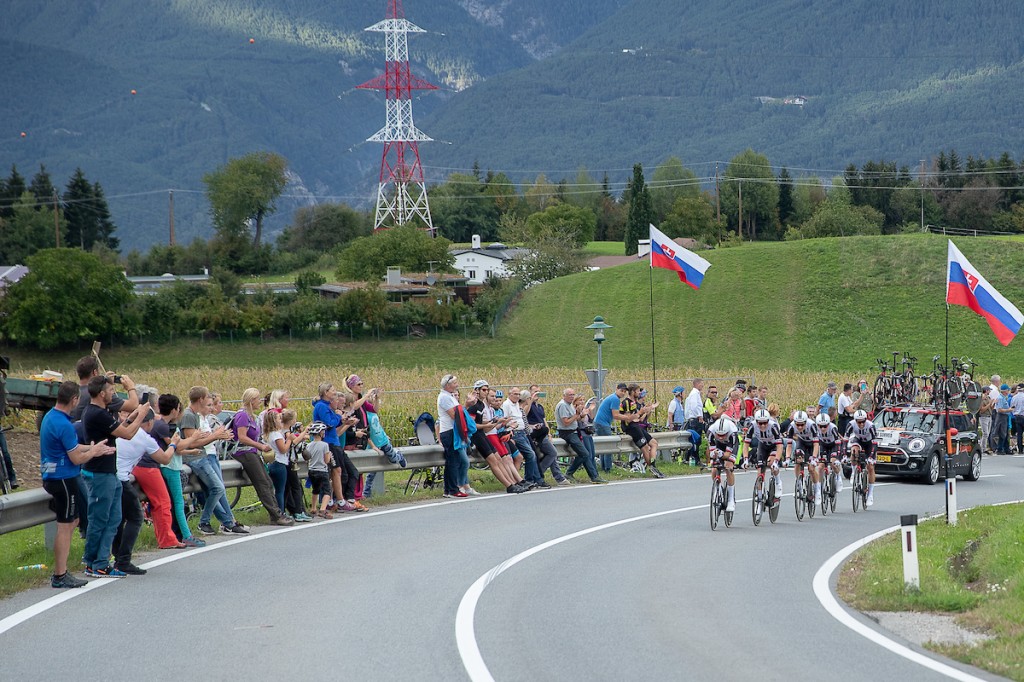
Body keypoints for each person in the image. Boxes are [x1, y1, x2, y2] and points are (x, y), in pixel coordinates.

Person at [40, 381, 115, 588]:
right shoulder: (65, 424)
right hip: (64, 479)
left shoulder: (51, 417)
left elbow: (71, 446)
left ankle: (61, 573)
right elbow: (75, 458)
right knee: (65, 526)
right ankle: (60, 574)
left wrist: (92, 447)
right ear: (74, 400)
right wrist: (94, 452)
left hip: (53, 476)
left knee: (71, 522)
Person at [80, 375, 147, 577]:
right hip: (100, 473)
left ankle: (99, 560)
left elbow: (119, 426)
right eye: (110, 391)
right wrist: (141, 416)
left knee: (114, 518)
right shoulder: (96, 414)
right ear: (101, 393)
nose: (113, 394)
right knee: (101, 518)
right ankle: (96, 562)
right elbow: (126, 434)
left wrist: (131, 416)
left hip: (110, 472)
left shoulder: (101, 411)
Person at [114, 407, 183, 574]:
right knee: (136, 517)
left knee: (119, 518)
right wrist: (173, 443)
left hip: (111, 476)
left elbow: (129, 420)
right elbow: (165, 458)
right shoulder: (145, 438)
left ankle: (114, 556)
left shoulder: (122, 429)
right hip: (121, 479)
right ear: (150, 422)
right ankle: (123, 560)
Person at [178, 386, 249, 535]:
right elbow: (192, 442)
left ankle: (227, 521)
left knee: (218, 488)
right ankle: (206, 522)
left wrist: (215, 436)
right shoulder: (189, 416)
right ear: (201, 399)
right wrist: (215, 436)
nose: (209, 404)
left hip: (203, 455)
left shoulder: (195, 416)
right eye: (207, 400)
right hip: (196, 457)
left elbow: (198, 438)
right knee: (218, 488)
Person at [232, 388, 295, 525]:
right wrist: (260, 446)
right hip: (244, 452)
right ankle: (276, 515)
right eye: (258, 399)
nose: (260, 401)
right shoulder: (242, 416)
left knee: (267, 482)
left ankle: (276, 513)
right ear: (251, 400)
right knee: (262, 483)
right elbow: (242, 437)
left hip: (252, 451)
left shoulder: (250, 416)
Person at [152, 394, 207, 547]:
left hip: (169, 465)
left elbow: (175, 449)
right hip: (170, 467)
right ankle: (186, 535)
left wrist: (190, 451)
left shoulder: (161, 424)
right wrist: (193, 438)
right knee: (178, 502)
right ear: (175, 410)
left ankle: (177, 534)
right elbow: (177, 446)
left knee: (174, 503)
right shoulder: (164, 426)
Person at [312, 384, 364, 512]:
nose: (335, 394)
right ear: (326, 392)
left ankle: (334, 499)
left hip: (333, 441)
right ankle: (337, 500)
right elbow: (329, 422)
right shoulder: (322, 407)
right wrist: (339, 417)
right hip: (328, 442)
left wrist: (344, 421)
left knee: (337, 471)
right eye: (333, 392)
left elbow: (334, 423)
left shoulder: (326, 406)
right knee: (335, 471)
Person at [265, 409, 309, 519]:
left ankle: (281, 511)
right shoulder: (278, 435)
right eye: (279, 419)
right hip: (280, 463)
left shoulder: (269, 434)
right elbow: (283, 449)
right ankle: (281, 512)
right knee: (281, 490)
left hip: (273, 463)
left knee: (280, 489)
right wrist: (289, 439)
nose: (281, 420)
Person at [557, 388, 606, 484]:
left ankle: (593, 476)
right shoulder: (563, 405)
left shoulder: (569, 405)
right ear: (564, 396)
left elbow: (577, 419)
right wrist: (577, 415)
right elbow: (566, 422)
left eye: (573, 394)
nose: (572, 396)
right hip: (567, 432)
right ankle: (573, 473)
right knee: (585, 453)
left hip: (574, 431)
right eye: (569, 395)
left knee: (584, 454)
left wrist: (581, 415)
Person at [523, 385, 569, 485]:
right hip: (534, 433)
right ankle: (543, 475)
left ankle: (552, 476)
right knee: (552, 453)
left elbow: (544, 421)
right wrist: (530, 401)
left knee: (551, 453)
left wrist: (548, 433)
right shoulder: (528, 405)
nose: (537, 394)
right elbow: (524, 415)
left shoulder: (540, 407)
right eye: (535, 392)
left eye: (539, 392)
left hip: (542, 433)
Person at [502, 387, 547, 487]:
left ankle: (530, 479)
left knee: (532, 455)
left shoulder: (517, 405)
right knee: (530, 455)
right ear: (509, 394)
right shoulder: (506, 405)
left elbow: (522, 418)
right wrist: (510, 431)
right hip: (515, 433)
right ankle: (528, 479)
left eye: (518, 394)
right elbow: (504, 420)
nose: (517, 396)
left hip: (523, 432)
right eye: (515, 394)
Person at [619, 383, 662, 478]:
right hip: (631, 428)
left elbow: (639, 417)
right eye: (638, 391)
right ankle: (651, 467)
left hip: (637, 425)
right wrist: (640, 412)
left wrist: (648, 409)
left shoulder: (635, 403)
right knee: (645, 447)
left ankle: (653, 464)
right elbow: (628, 419)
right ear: (633, 392)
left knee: (654, 443)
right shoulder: (626, 402)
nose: (639, 393)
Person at [744, 408, 784, 506]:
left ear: (768, 421)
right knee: (760, 472)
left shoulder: (773, 426)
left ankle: (778, 482)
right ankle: (760, 495)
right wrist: (745, 459)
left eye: (765, 423)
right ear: (756, 421)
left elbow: (779, 446)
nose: (762, 425)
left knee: (771, 464)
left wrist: (776, 461)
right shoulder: (752, 425)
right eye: (760, 423)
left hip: (774, 445)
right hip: (762, 445)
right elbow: (746, 444)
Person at [437, 374, 465, 498]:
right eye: (454, 383)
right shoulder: (444, 397)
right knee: (453, 460)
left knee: (451, 461)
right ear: (448, 385)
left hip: (450, 430)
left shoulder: (449, 396)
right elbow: (454, 415)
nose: (457, 385)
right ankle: (453, 489)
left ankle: (448, 489)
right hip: (449, 430)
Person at [785, 411, 820, 504]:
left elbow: (816, 445)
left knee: (811, 468)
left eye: (802, 424)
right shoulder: (791, 426)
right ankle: (799, 484)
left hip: (813, 444)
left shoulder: (812, 425)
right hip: (802, 442)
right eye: (798, 425)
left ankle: (817, 489)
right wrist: (787, 458)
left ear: (806, 422)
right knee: (797, 460)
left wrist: (814, 457)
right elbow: (789, 445)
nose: (800, 427)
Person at [844, 409, 878, 506]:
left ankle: (870, 494)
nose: (862, 424)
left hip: (869, 443)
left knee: (870, 467)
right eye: (859, 422)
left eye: (863, 421)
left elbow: (875, 443)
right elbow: (845, 440)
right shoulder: (851, 424)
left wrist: (871, 456)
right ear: (855, 421)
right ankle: (854, 472)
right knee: (854, 450)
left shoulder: (871, 426)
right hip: (858, 440)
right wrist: (844, 454)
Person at [594, 383, 630, 473]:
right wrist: (628, 417)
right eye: (621, 391)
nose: (623, 393)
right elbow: (616, 415)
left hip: (599, 422)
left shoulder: (612, 397)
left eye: (624, 392)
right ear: (616, 389)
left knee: (604, 446)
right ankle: (608, 468)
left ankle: (603, 467)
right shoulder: (615, 399)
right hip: (603, 424)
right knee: (609, 446)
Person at [706, 417, 738, 512]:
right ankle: (718, 489)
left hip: (730, 446)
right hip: (718, 446)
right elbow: (711, 450)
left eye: (722, 435)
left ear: (727, 433)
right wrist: (713, 455)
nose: (720, 437)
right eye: (718, 435)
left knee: (728, 467)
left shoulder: (733, 433)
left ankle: (731, 499)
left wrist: (722, 455)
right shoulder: (711, 432)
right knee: (714, 469)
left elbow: (728, 455)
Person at [304, 422, 334, 518]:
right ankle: (322, 509)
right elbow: (326, 460)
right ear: (321, 433)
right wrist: (329, 455)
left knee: (315, 489)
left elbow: (307, 458)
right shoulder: (325, 445)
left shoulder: (309, 445)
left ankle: (313, 508)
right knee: (327, 491)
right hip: (322, 470)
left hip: (312, 470)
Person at [815, 412, 844, 493]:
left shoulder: (833, 428)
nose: (823, 428)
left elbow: (838, 442)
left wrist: (838, 457)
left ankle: (838, 477)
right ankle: (819, 486)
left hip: (833, 445)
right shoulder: (815, 428)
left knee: (832, 463)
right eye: (821, 426)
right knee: (820, 466)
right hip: (823, 445)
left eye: (825, 426)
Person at [684, 379, 706, 459]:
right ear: (697, 384)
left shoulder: (694, 393)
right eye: (701, 383)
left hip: (693, 420)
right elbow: (694, 406)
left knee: (694, 439)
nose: (702, 385)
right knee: (696, 439)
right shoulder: (694, 394)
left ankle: (690, 457)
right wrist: (699, 416)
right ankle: (694, 458)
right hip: (695, 420)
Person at [992, 384, 1012, 455]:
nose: (1008, 391)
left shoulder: (1004, 397)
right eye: (1008, 390)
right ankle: (1000, 448)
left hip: (1005, 417)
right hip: (1001, 417)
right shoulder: (1000, 398)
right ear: (1005, 391)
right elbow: (999, 410)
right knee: (1002, 433)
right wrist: (1008, 410)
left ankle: (1006, 448)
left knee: (1005, 433)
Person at [978, 386, 994, 456]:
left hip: (989, 416)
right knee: (985, 433)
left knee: (988, 433)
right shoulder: (982, 399)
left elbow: (991, 408)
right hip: (984, 417)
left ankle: (984, 447)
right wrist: (989, 404)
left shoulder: (988, 398)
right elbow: (982, 410)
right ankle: (982, 448)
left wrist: (993, 403)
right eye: (989, 390)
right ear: (986, 391)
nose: (990, 391)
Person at [1010, 383, 1024, 454]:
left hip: (1017, 416)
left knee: (1019, 434)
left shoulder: (1014, 397)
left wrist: (1015, 413)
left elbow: (1012, 407)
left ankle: (1020, 450)